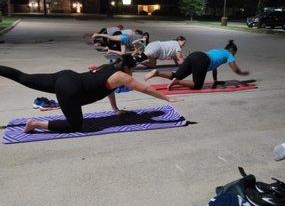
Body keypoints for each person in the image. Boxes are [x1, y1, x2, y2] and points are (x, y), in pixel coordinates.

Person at [0, 55, 179, 134]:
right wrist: (167, 98)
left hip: (65, 76)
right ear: (127, 68)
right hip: (69, 89)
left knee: (23, 77)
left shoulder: (110, 68)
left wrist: (115, 109)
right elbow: (146, 89)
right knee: (75, 126)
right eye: (132, 70)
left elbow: (108, 88)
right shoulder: (123, 76)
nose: (132, 73)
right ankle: (35, 124)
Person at [144, 39, 249, 90]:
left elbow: (215, 66)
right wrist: (242, 73)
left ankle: (157, 73)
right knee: (197, 85)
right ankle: (178, 82)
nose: (234, 54)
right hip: (202, 60)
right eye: (235, 52)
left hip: (195, 55)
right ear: (232, 50)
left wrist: (215, 80)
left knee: (176, 74)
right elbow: (235, 69)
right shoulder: (228, 54)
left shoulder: (218, 50)